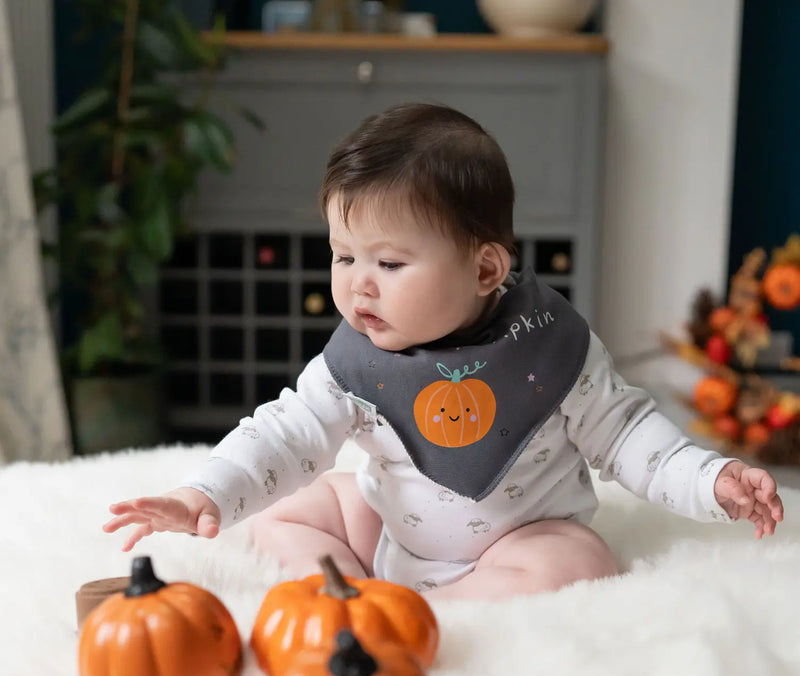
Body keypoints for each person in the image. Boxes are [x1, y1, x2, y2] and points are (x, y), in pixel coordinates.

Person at [104, 103, 784, 601]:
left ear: (485, 269)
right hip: (391, 536)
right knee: (291, 508)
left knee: (579, 561)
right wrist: (204, 492)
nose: (357, 284)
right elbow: (286, 433)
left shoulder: (549, 347)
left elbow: (629, 434)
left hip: (513, 544)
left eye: (389, 263)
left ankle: (438, 610)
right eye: (343, 255)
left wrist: (710, 480)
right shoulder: (355, 363)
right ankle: (351, 595)